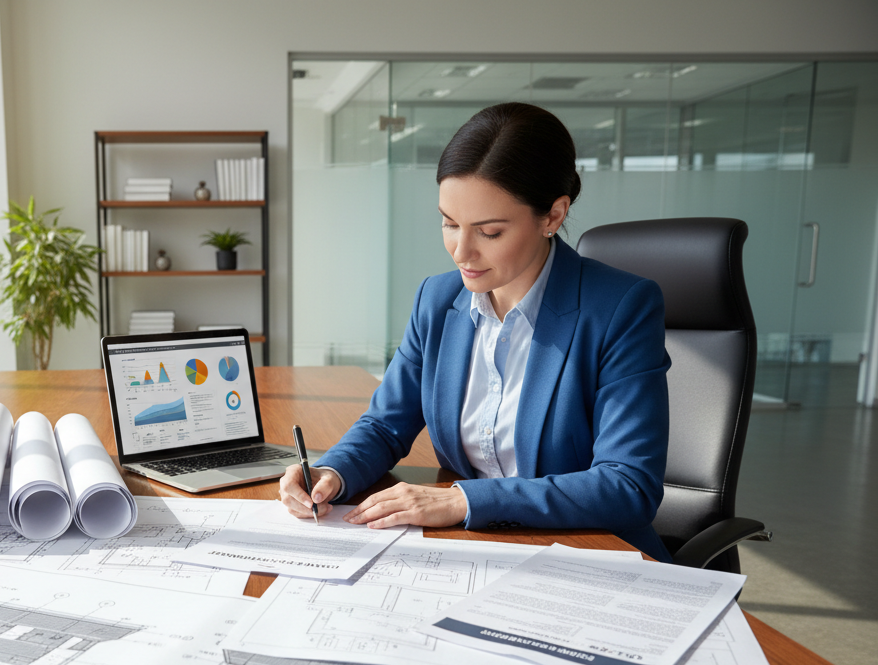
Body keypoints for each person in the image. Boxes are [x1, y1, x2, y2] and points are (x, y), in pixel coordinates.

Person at [280, 102, 673, 561]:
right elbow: (386, 425)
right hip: (474, 550)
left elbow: (628, 485)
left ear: (552, 215)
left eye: (489, 232)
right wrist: (332, 472)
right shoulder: (437, 299)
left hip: (588, 554)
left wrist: (463, 500)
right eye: (449, 223)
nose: (460, 251)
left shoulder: (621, 308)